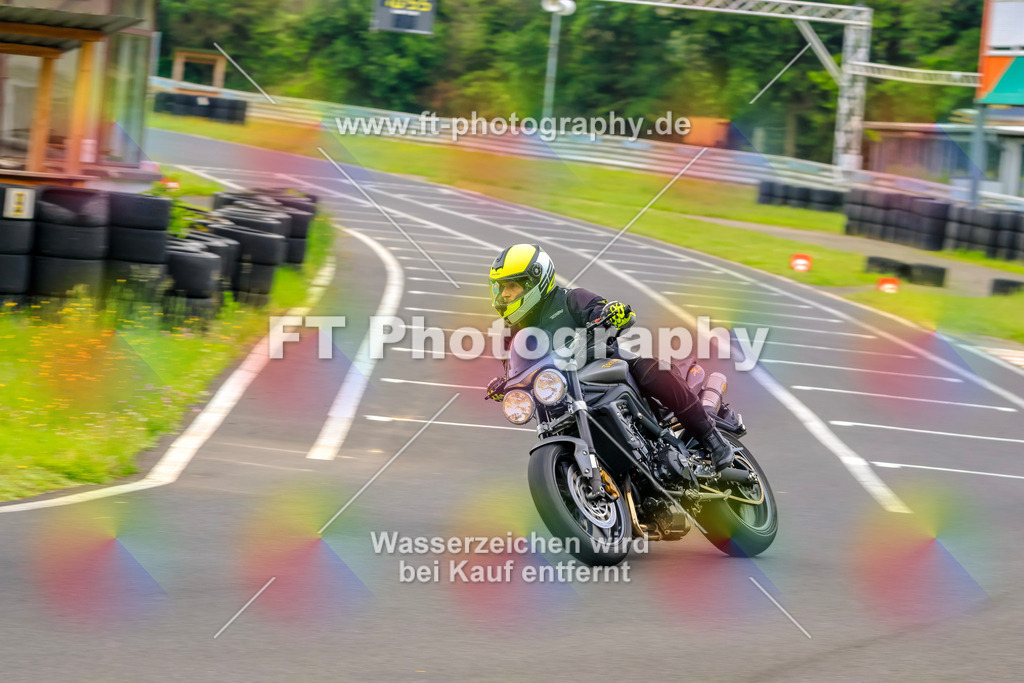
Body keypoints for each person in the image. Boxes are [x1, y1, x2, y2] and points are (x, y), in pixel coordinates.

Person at [484, 243, 735, 471]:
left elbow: (602, 309)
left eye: (513, 285)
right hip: (560, 396)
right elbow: (516, 370)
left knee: (652, 369)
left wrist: (611, 312)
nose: (504, 294)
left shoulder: (570, 299)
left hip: (605, 368)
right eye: (501, 287)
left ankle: (712, 440)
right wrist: (506, 385)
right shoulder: (511, 333)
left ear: (536, 281)